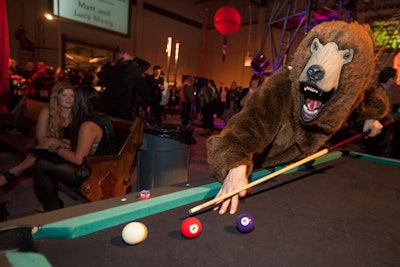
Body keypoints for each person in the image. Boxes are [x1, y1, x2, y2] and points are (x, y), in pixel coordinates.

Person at [33, 85, 117, 211]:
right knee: (44, 163)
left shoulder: (88, 125)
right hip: (103, 167)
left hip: (94, 172)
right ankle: (52, 207)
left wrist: (56, 149)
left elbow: (78, 159)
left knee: (41, 166)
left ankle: (52, 210)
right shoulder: (102, 118)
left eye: (74, 98)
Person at [0, 82, 75, 186]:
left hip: (71, 151)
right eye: (64, 95)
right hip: (48, 148)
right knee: (42, 159)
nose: (69, 99)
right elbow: (41, 139)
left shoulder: (78, 114)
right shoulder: (47, 112)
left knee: (47, 146)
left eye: (72, 95)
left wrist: (60, 142)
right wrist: (59, 141)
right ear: (56, 97)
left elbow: (79, 141)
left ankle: (12, 173)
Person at [97, 51, 150, 120]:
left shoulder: (109, 70)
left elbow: (99, 74)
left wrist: (108, 64)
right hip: (125, 106)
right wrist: (131, 58)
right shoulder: (131, 71)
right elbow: (146, 64)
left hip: (109, 104)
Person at [364, 67, 398, 157]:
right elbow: (384, 115)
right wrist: (398, 115)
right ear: (390, 79)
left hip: (380, 140)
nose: (396, 81)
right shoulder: (379, 93)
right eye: (395, 78)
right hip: (379, 141)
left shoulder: (384, 92)